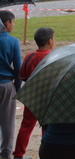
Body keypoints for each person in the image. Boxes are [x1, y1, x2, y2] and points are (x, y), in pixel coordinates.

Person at [13, 27, 55, 159]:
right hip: (49, 99)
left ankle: (18, 154)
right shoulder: (54, 57)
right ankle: (46, 153)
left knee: (26, 126)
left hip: (32, 97)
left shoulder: (29, 56)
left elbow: (22, 76)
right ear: (50, 41)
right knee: (48, 128)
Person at [0, 11, 21, 159]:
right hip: (7, 85)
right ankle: (6, 153)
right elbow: (18, 67)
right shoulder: (13, 41)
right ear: (7, 24)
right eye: (13, 22)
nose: (14, 25)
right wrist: (17, 87)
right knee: (7, 122)